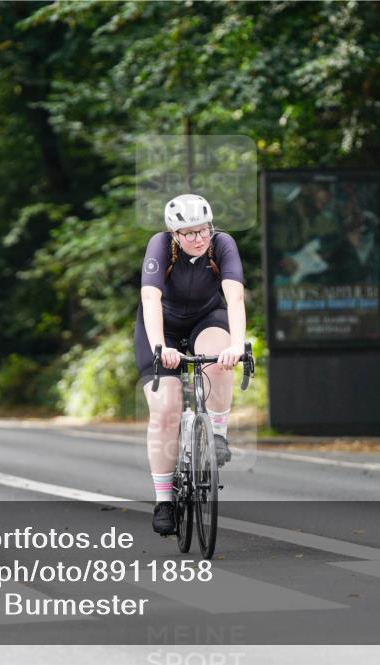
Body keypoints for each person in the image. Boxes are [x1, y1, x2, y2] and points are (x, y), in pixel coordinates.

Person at [134, 194, 246, 536]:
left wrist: (238, 344)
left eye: (203, 230)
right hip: (162, 327)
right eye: (189, 233)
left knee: (218, 357)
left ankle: (217, 433)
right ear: (174, 234)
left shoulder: (222, 244)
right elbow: (150, 298)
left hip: (205, 318)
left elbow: (235, 296)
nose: (198, 238)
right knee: (166, 409)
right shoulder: (159, 246)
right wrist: (159, 346)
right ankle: (164, 500)